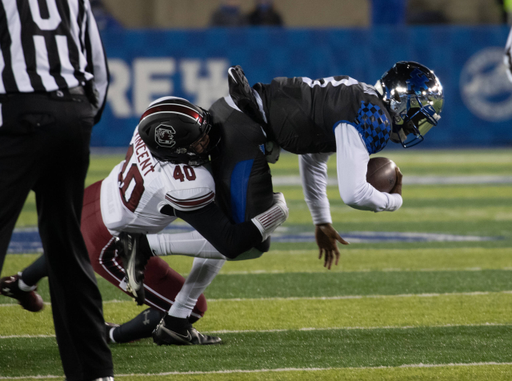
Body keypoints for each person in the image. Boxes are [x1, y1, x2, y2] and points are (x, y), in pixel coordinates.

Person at [1, 96, 289, 346]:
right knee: (193, 308)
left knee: (71, 242)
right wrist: (277, 211)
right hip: (110, 242)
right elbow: (230, 242)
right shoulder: (187, 183)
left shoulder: (155, 120)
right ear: (177, 152)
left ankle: (22, 282)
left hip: (97, 196)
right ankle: (114, 335)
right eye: (198, 142)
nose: (207, 141)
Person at [226, 62, 443, 268]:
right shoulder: (372, 115)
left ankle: (190, 303)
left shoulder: (361, 96)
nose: (415, 125)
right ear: (400, 99)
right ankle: (190, 300)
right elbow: (354, 194)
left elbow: (313, 158)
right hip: (246, 124)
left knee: (240, 235)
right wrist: (394, 201)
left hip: (247, 118)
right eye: (416, 113)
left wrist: (322, 220)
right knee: (245, 241)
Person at [0, 1, 113, 379]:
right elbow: (99, 69)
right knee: (68, 249)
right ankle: (96, 372)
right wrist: (79, 119)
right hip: (74, 114)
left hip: (18, 112)